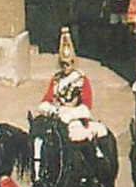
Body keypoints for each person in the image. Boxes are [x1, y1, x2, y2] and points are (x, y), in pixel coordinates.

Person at [38, 26, 114, 169]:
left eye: (68, 63)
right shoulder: (56, 79)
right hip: (57, 117)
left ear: (73, 62)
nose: (65, 66)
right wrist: (52, 109)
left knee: (80, 141)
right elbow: (46, 99)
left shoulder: (81, 79)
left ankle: (88, 173)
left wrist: (69, 113)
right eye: (63, 64)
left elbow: (86, 106)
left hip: (75, 119)